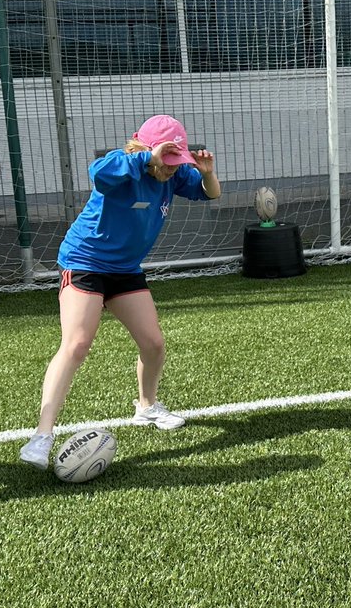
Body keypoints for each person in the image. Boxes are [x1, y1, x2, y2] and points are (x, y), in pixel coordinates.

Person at [19, 115, 222, 469]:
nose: (173, 170)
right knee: (77, 344)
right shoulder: (121, 166)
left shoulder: (173, 177)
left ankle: (146, 407)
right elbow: (98, 173)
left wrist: (205, 172)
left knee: (154, 344)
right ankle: (42, 436)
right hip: (85, 263)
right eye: (168, 162)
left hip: (125, 270)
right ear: (146, 149)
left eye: (178, 162)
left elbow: (210, 194)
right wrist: (149, 158)